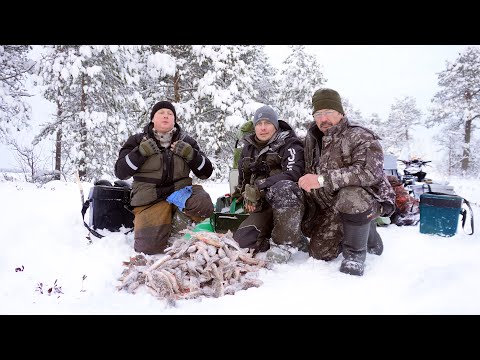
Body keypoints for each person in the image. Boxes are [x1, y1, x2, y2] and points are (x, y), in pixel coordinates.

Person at [298, 88, 396, 276]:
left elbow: (368, 173)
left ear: (341, 113)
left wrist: (320, 180)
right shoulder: (312, 138)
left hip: (366, 198)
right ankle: (361, 230)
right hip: (332, 202)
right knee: (319, 253)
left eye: (328, 112)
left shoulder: (360, 136)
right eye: (318, 114)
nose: (323, 119)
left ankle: (356, 254)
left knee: (350, 193)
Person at [114, 100, 214, 255]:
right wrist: (140, 153)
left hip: (181, 193)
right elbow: (121, 172)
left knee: (203, 204)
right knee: (148, 249)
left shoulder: (186, 141)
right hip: (150, 198)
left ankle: (175, 228)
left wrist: (191, 155)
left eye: (170, 114)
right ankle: (163, 226)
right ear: (153, 118)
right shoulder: (137, 141)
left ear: (174, 120)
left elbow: (205, 172)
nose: (165, 116)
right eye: (161, 113)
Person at [232, 105, 307, 263]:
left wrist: (260, 186)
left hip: (289, 202)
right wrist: (245, 196)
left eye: (268, 123)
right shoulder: (247, 149)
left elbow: (293, 174)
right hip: (262, 205)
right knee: (241, 242)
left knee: (284, 187)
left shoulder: (290, 144)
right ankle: (281, 232)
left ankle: (285, 243)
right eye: (259, 123)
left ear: (276, 125)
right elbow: (243, 180)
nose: (263, 128)